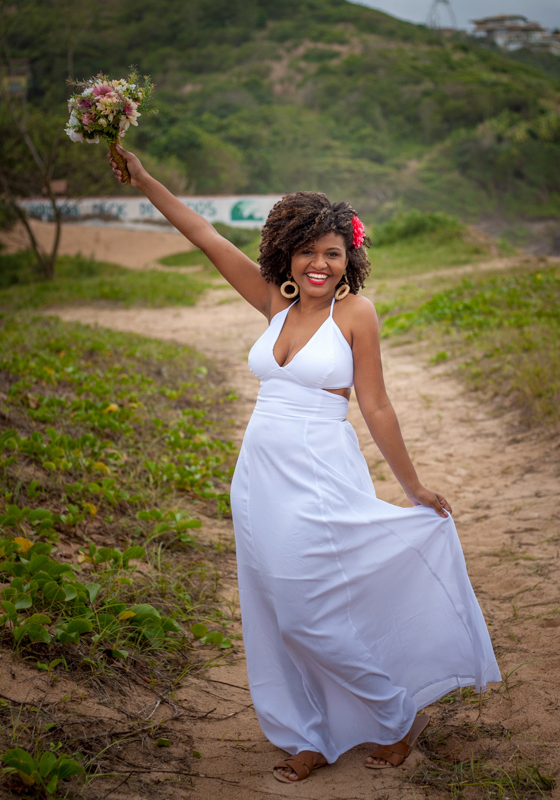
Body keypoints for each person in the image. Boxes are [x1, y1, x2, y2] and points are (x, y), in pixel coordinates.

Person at [108, 145, 500, 783]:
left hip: (319, 477)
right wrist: (146, 178)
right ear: (286, 253)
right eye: (308, 251)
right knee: (272, 613)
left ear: (350, 260)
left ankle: (398, 715)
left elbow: (375, 406)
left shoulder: (355, 315)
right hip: (258, 476)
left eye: (333, 253)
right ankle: (309, 734)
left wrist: (413, 486)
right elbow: (203, 234)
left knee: (307, 611)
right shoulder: (275, 304)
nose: (319, 264)